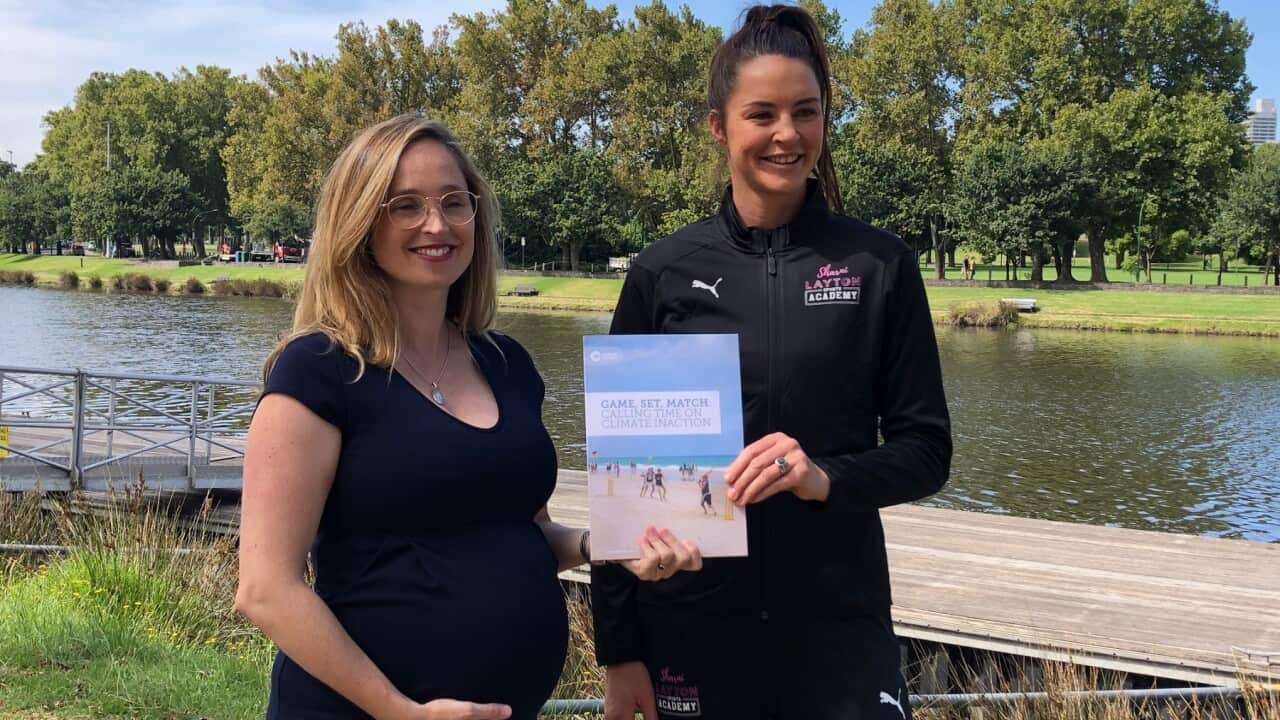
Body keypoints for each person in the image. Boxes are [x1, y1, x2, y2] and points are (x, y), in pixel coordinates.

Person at [235, 114, 701, 720]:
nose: (437, 224)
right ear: (359, 222)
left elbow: (524, 532)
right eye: (405, 205)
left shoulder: (507, 363)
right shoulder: (320, 370)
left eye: (455, 202)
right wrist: (400, 710)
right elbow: (266, 590)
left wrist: (608, 543)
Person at [590, 7, 953, 720]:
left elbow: (927, 451)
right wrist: (618, 648)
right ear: (719, 127)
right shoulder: (662, 272)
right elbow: (622, 485)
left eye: (806, 112)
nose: (787, 134)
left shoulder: (880, 265)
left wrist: (825, 477)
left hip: (838, 628)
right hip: (692, 629)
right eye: (762, 114)